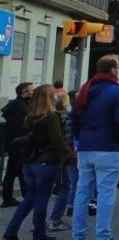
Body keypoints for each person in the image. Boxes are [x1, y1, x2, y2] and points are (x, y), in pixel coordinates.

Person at [71, 55, 119, 240]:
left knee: (82, 191)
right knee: (105, 194)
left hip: (86, 146)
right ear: (114, 70)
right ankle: (103, 235)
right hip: (108, 147)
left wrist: (78, 139)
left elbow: (74, 118)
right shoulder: (118, 92)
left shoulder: (86, 89)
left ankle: (78, 233)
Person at [3, 84, 71, 240]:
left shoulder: (30, 116)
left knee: (29, 199)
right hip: (46, 162)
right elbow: (57, 141)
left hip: (30, 162)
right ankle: (39, 234)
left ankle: (11, 231)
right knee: (41, 200)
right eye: (53, 94)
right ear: (49, 97)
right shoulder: (51, 116)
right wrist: (68, 155)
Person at [47, 91, 75, 233]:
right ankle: (55, 220)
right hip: (62, 158)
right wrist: (70, 153)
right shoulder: (66, 117)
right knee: (65, 188)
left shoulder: (49, 116)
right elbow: (67, 138)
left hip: (49, 158)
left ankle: (42, 222)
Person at [2, 82, 33, 207]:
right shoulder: (22, 107)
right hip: (20, 145)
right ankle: (25, 198)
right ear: (24, 92)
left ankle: (8, 197)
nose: (33, 92)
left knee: (12, 172)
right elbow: (23, 127)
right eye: (31, 90)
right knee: (21, 172)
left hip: (14, 144)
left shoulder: (15, 105)